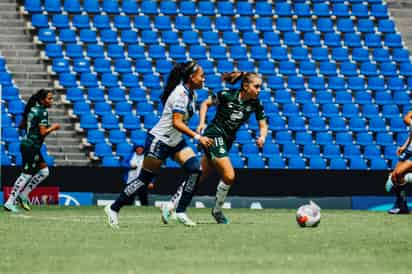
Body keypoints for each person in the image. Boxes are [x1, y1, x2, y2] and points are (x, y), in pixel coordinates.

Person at [104, 61, 213, 228]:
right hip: (159, 141)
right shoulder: (180, 94)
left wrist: (199, 125)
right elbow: (176, 122)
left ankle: (179, 211)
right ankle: (113, 208)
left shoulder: (193, 94)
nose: (204, 79)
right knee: (143, 180)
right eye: (202, 76)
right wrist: (198, 137)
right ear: (191, 77)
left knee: (195, 170)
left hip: (175, 141)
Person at [162, 72, 268, 224]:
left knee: (200, 175)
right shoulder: (226, 95)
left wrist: (262, 137)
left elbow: (263, 125)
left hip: (227, 140)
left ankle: (171, 204)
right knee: (229, 175)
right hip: (214, 135)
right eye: (256, 86)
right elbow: (205, 104)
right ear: (245, 86)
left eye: (260, 87)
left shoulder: (256, 103)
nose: (259, 90)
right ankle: (217, 211)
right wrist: (202, 123)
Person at [3, 89, 60, 213]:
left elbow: (21, 125)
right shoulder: (42, 112)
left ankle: (24, 195)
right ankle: (10, 202)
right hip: (31, 147)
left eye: (51, 98)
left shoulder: (32, 109)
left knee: (44, 171)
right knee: (26, 174)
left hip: (30, 145)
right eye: (49, 99)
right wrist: (54, 127)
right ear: (42, 100)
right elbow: (43, 132)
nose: (51, 101)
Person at [385, 110, 412, 214]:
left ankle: (401, 205)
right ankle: (402, 205)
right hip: (409, 151)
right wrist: (404, 147)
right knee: (395, 177)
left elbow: (406, 118)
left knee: (398, 173)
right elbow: (411, 135)